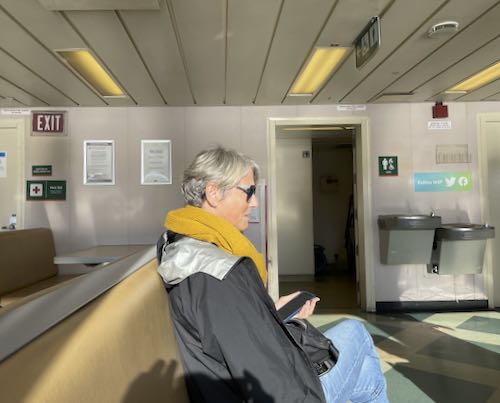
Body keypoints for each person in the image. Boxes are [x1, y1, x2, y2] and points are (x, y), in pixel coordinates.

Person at [157, 146, 388, 402]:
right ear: (213, 193)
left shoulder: (188, 245)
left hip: (263, 375)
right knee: (356, 332)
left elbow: (234, 332)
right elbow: (263, 376)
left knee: (368, 378)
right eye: (249, 192)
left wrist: (271, 312)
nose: (255, 202)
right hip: (282, 394)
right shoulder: (215, 276)